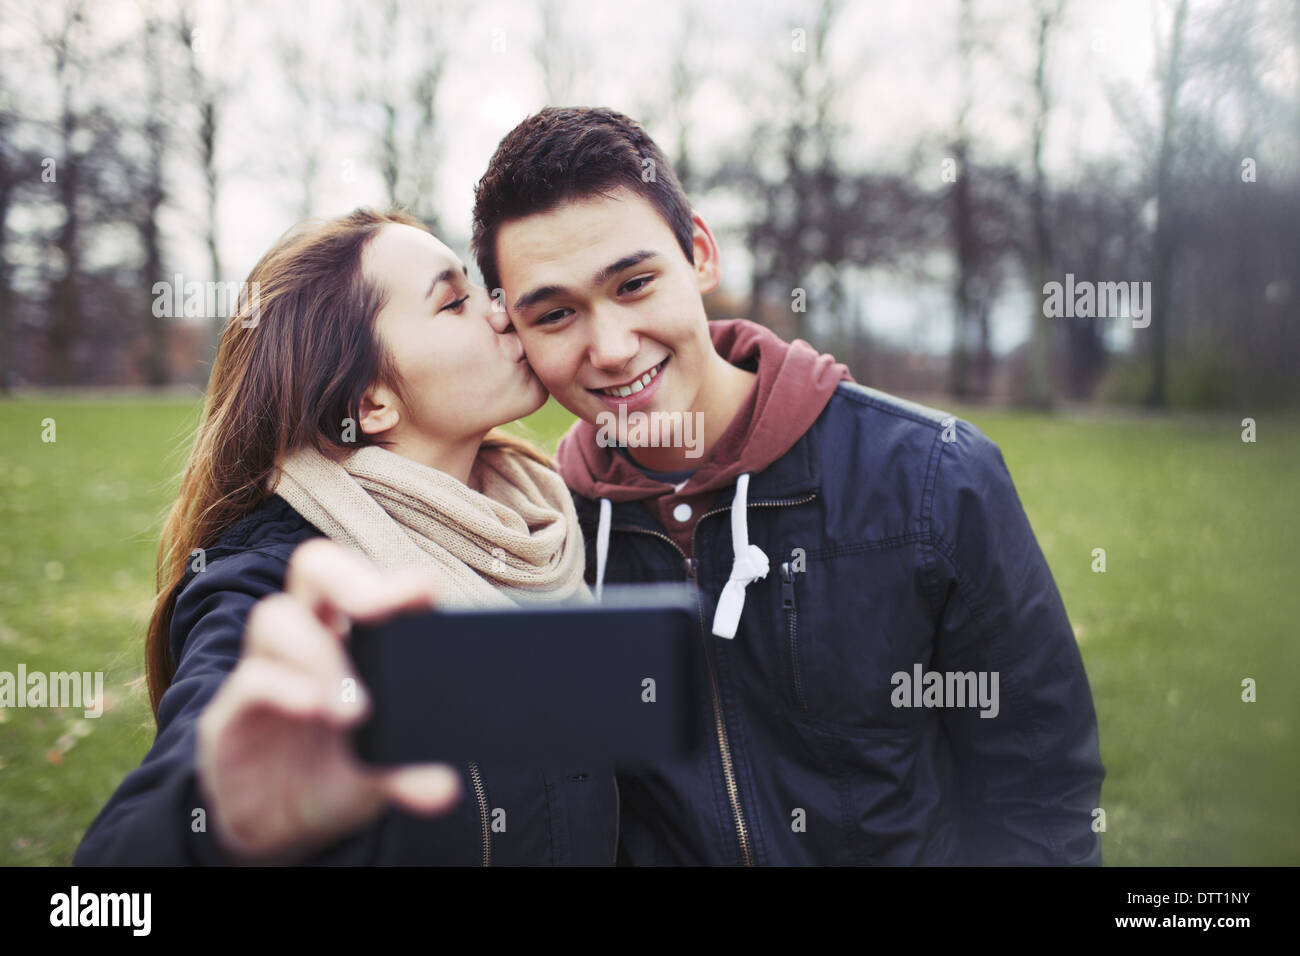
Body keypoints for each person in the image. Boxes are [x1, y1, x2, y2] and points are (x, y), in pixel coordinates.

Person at [469, 106, 1106, 865]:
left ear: (700, 255)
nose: (609, 347)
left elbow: (1040, 799)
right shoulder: (540, 539)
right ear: (513, 332)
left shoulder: (934, 477)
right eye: (556, 314)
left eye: (635, 283)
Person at [74, 209, 617, 866]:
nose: (502, 311)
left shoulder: (548, 526)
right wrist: (222, 823)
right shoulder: (275, 593)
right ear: (372, 403)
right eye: (454, 302)